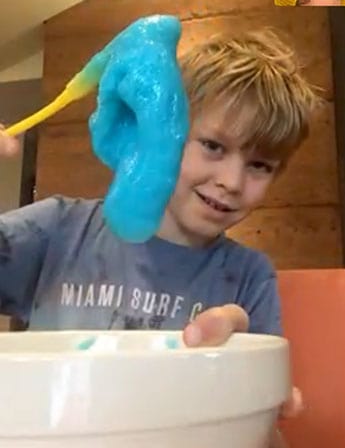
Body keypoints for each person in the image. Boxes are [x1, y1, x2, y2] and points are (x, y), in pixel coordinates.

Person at [0, 28, 313, 446]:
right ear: (163, 131)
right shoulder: (59, 230)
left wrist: (261, 419)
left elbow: (265, 431)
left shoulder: (249, 278)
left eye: (260, 165)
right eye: (213, 146)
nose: (232, 181)